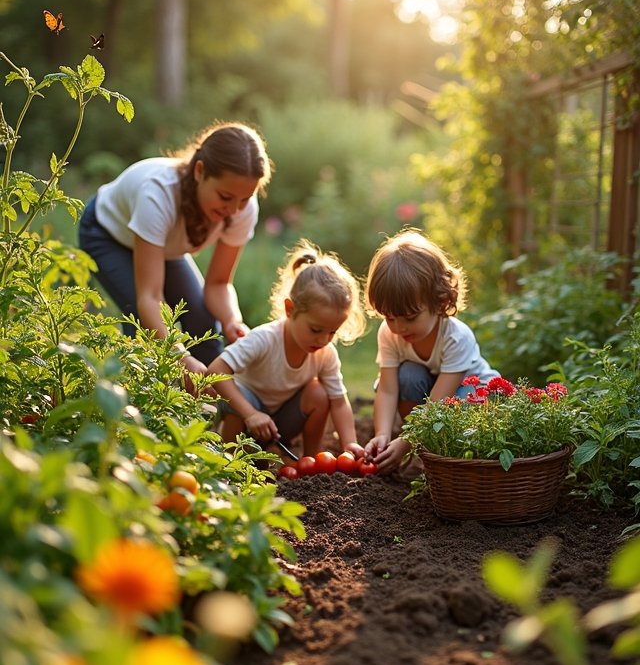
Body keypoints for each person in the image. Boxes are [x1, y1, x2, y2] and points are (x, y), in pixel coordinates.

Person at [78, 121, 272, 379]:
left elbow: (219, 284)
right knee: (142, 321)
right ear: (200, 171)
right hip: (107, 234)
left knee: (203, 318)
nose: (235, 210)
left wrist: (232, 320)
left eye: (245, 199)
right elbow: (150, 296)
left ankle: (212, 403)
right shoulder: (157, 194)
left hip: (164, 248)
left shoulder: (241, 207)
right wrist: (180, 356)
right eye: (225, 197)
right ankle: (138, 403)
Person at [208, 239, 367, 458]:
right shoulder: (264, 339)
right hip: (245, 418)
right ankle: (229, 458)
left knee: (319, 394)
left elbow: (339, 402)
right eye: (316, 329)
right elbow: (215, 371)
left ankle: (311, 460)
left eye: (332, 332)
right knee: (237, 398)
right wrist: (251, 414)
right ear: (290, 309)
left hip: (278, 426)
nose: (323, 340)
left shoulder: (326, 354)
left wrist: (350, 444)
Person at [363, 229, 500, 474]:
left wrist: (405, 442)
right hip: (432, 393)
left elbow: (440, 403)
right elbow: (387, 388)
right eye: (389, 317)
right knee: (407, 376)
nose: (399, 327)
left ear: (439, 302)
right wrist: (383, 434)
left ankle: (442, 455)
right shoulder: (389, 332)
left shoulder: (456, 337)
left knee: (464, 403)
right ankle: (422, 447)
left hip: (469, 393)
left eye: (410, 317)